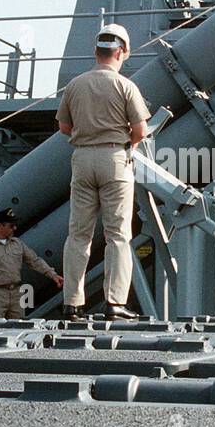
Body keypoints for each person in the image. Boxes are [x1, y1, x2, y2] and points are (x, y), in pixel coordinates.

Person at [56, 23, 150, 321]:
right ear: (120, 53)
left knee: (78, 235)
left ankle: (72, 303)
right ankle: (114, 302)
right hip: (114, 159)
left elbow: (64, 127)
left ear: (97, 52)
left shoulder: (75, 85)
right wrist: (124, 142)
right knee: (117, 235)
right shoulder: (126, 86)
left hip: (82, 159)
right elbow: (140, 130)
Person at [0, 209, 63, 318]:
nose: (14, 228)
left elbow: (34, 261)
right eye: (11, 226)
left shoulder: (17, 244)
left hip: (16, 293)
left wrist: (53, 275)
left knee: (18, 324)